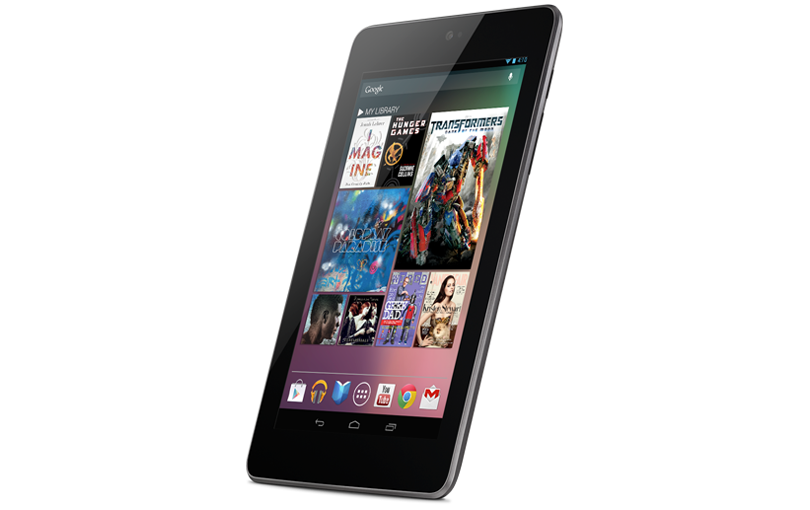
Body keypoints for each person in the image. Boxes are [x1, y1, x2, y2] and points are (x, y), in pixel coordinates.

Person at [415, 275, 456, 348]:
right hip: (431, 344)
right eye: (449, 285)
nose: (452, 287)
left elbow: (448, 326)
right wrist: (421, 342)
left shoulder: (453, 305)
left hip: (442, 344)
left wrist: (446, 341)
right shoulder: (436, 306)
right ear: (444, 288)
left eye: (453, 285)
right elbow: (417, 323)